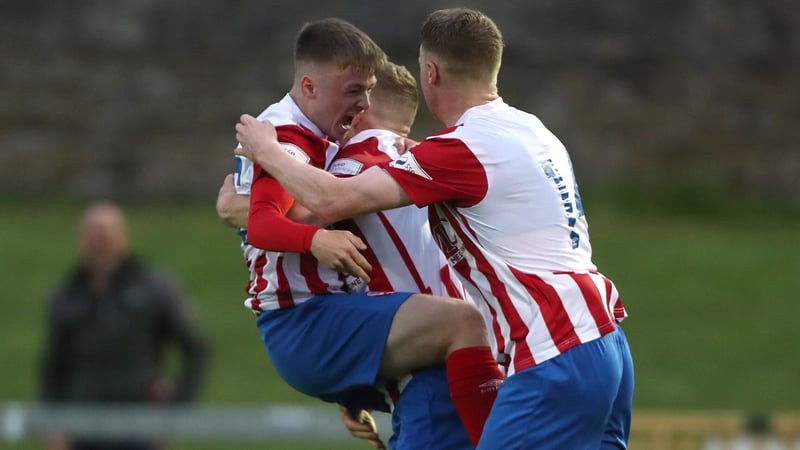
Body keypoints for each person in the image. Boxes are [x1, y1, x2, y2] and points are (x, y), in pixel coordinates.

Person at [234, 8, 635, 450]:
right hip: (607, 340)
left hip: (555, 347)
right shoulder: (534, 130)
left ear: (431, 72)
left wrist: (265, 151)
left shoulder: (457, 150)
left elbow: (326, 200)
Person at [223, 17, 502, 448]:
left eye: (367, 92)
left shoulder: (344, 156)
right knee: (462, 324)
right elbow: (272, 216)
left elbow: (281, 206)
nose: (359, 102)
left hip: (342, 333)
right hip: (311, 321)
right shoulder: (310, 146)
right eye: (354, 91)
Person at [39, 202, 208, 450]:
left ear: (122, 238)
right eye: (95, 235)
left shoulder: (153, 287)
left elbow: (195, 348)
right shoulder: (66, 295)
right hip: (81, 423)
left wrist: (174, 413)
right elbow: (52, 365)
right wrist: (52, 425)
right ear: (82, 240)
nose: (101, 244)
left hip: (138, 424)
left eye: (107, 235)